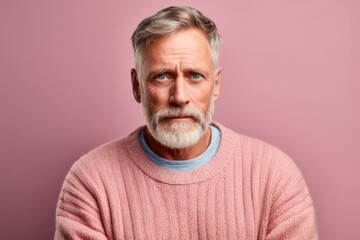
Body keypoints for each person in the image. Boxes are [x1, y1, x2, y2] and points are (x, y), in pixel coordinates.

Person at [54, 6, 317, 240]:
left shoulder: (274, 177)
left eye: (195, 76)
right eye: (162, 77)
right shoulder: (91, 182)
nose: (179, 97)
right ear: (137, 86)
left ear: (215, 85)